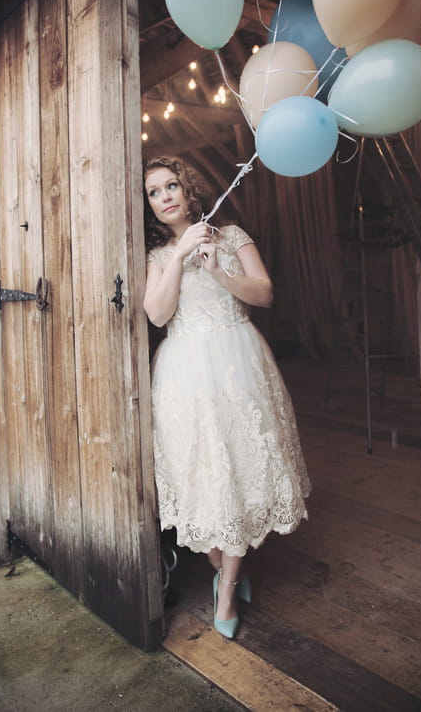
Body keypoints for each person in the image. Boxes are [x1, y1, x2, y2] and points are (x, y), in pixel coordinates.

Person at [143, 155, 311, 639]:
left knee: (240, 468)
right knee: (203, 476)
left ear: (188, 187)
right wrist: (177, 256)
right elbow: (157, 315)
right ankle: (224, 566)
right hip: (183, 375)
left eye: (171, 185)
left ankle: (227, 589)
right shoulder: (157, 256)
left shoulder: (232, 236)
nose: (165, 197)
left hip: (238, 364)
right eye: (154, 192)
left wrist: (218, 269)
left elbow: (264, 294)